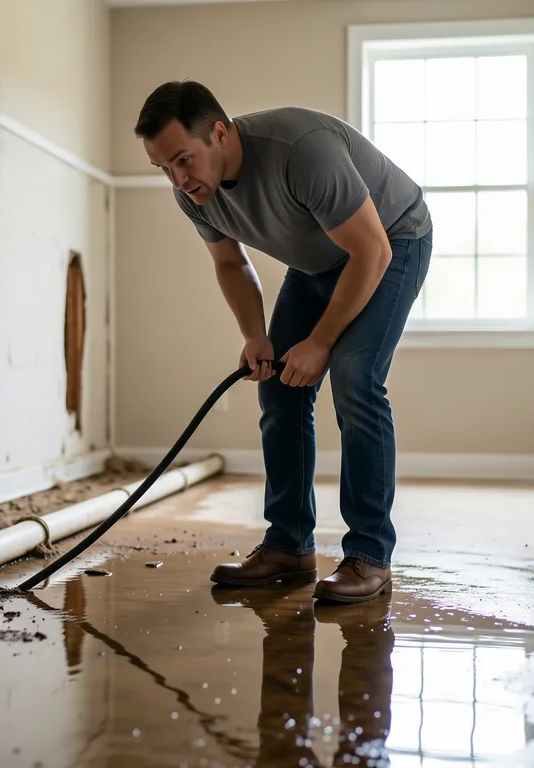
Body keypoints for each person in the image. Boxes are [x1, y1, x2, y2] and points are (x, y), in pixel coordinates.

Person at [135, 80, 432, 604]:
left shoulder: (300, 151)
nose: (178, 180)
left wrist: (320, 342)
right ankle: (288, 546)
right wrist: (255, 336)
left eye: (183, 160)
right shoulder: (194, 195)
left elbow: (371, 251)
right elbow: (230, 263)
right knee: (276, 386)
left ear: (219, 133)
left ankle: (370, 555)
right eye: (163, 168)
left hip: (391, 241)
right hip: (315, 264)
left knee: (355, 377)